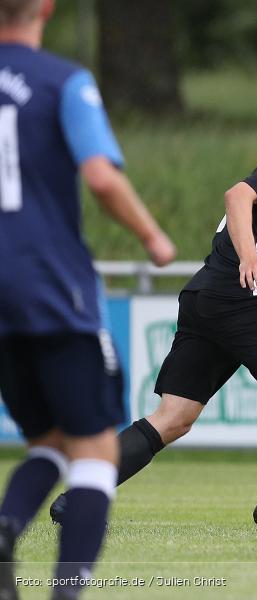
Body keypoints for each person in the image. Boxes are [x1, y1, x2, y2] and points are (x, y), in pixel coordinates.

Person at [50, 87, 257, 535]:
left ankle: (80, 497)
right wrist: (249, 259)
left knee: (174, 419)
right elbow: (236, 198)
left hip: (207, 297)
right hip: (235, 295)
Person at [0, 0, 177, 597]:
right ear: (45, 8)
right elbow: (101, 176)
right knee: (96, 448)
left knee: (47, 441)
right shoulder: (62, 82)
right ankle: (66, 590)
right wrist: (152, 235)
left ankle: (5, 527)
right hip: (52, 288)